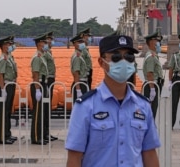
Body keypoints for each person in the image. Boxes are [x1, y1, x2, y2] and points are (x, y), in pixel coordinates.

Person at [65, 35, 160, 167]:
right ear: (102, 62)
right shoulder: (86, 106)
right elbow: (75, 157)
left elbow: (149, 153)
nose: (123, 62)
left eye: (129, 57)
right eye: (116, 57)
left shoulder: (143, 105)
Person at [0, 36, 18, 144]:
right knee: (3, 112)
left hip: (10, 84)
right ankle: (2, 137)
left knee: (8, 111)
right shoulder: (3, 59)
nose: (11, 46)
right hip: (5, 85)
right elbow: (0, 75)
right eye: (9, 44)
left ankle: (7, 134)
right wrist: (2, 89)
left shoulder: (9, 57)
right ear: (4, 46)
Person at [30, 34, 50, 145]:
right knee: (37, 113)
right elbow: (35, 74)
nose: (46, 44)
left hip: (43, 84)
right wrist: (37, 89)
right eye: (44, 42)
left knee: (41, 112)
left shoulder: (42, 56)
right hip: (39, 84)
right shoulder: (37, 57)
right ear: (39, 44)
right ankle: (36, 137)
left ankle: (40, 135)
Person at [142, 31, 164, 119]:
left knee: (152, 110)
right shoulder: (151, 56)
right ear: (151, 42)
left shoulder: (153, 55)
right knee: (151, 111)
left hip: (154, 84)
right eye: (157, 41)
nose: (159, 43)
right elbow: (149, 73)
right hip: (152, 85)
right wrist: (152, 89)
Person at [42, 31, 58, 141]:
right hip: (47, 80)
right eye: (49, 40)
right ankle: (44, 132)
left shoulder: (48, 52)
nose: (51, 41)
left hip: (51, 79)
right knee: (45, 108)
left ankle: (47, 132)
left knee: (48, 108)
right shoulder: (43, 54)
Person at [70, 33, 89, 103]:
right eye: (79, 42)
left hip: (82, 83)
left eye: (82, 42)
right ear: (74, 44)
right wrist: (78, 90)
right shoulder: (77, 57)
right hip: (80, 84)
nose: (82, 44)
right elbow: (76, 74)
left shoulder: (79, 55)